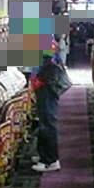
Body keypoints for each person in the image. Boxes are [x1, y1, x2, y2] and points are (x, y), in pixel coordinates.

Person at [30, 40, 68, 172]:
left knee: (48, 121)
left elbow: (47, 57)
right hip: (43, 81)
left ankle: (50, 160)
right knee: (44, 120)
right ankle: (44, 156)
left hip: (46, 83)